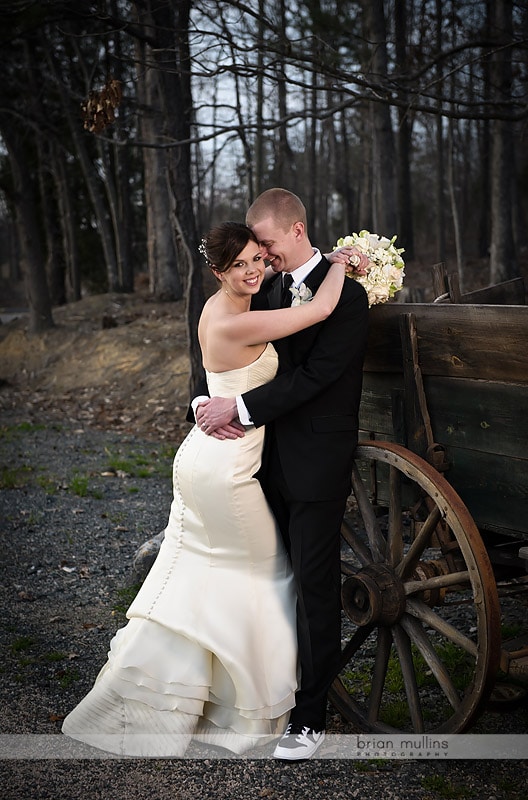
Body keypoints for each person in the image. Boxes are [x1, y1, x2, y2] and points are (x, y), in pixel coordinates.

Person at [61, 221, 346, 758]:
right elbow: (320, 312)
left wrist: (197, 404)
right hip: (229, 469)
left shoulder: (219, 310)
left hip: (202, 454)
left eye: (256, 259)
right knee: (266, 578)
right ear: (218, 272)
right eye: (238, 265)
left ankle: (179, 696)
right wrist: (341, 265)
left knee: (205, 580)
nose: (253, 271)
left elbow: (215, 380)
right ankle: (253, 709)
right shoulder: (243, 321)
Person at [195, 189, 369, 760]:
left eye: (265, 245)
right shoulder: (263, 289)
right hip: (256, 465)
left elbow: (316, 376)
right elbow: (235, 360)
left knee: (315, 590)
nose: (261, 257)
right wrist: (208, 402)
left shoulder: (347, 298)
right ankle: (259, 696)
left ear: (296, 231)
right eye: (252, 251)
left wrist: (238, 411)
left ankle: (310, 720)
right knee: (267, 584)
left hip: (316, 463)